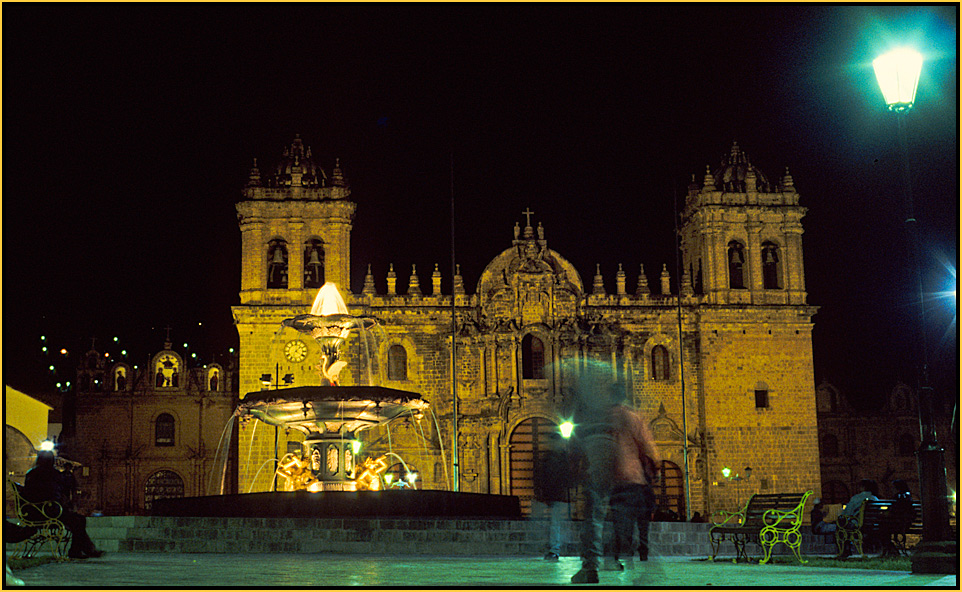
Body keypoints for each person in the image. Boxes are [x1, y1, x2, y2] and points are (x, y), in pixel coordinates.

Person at [605, 384, 660, 570]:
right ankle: (637, 554)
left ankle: (618, 556)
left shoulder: (605, 418)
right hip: (633, 478)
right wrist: (655, 465)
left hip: (613, 479)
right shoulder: (633, 417)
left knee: (619, 521)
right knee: (635, 520)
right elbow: (647, 446)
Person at [23, 450, 104, 559]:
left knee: (77, 520)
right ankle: (78, 550)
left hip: (33, 513)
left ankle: (88, 549)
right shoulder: (54, 474)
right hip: (50, 513)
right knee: (79, 520)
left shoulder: (31, 474)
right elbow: (60, 493)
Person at [533, 432, 570, 562]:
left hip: (556, 495)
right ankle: (551, 547)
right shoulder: (553, 457)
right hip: (550, 495)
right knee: (551, 523)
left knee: (555, 524)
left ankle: (554, 549)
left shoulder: (560, 458)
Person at [836, 479, 878, 557]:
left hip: (857, 523)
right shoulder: (875, 498)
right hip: (872, 524)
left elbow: (847, 513)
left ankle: (845, 549)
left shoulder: (856, 498)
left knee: (841, 525)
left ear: (863, 487)